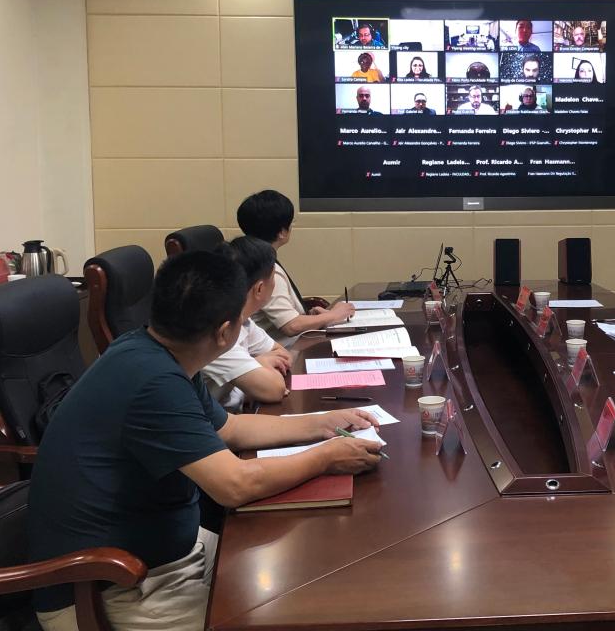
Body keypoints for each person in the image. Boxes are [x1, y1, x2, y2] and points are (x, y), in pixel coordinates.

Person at [27, 251, 383, 631]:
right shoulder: (153, 381)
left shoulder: (157, 351)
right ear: (225, 332)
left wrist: (323, 423)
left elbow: (231, 429)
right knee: (293, 615)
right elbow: (235, 485)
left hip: (168, 555)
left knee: (303, 579)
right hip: (113, 586)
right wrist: (325, 457)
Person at [237, 190, 356, 340]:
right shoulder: (266, 272)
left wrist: (311, 317)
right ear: (282, 232)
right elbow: (291, 326)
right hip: (285, 348)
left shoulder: (252, 260)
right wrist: (334, 315)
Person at [202, 237, 291, 410]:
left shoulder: (242, 319)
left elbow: (283, 356)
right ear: (259, 288)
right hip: (216, 422)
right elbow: (274, 389)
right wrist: (259, 364)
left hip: (235, 414)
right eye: (273, 277)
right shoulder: (217, 333)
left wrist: (256, 364)